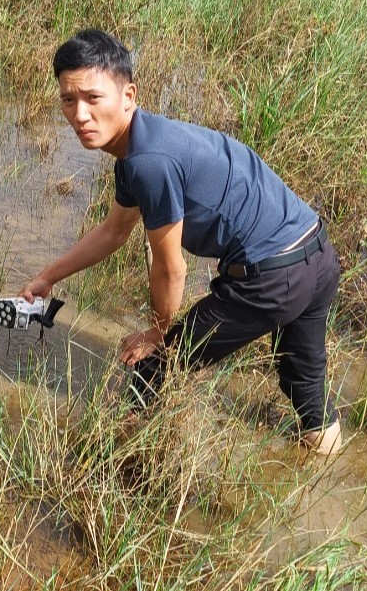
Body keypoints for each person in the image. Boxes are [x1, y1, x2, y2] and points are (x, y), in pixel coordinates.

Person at [19, 29, 342, 455]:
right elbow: (114, 231)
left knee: (157, 366)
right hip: (317, 254)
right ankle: (324, 469)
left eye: (93, 98)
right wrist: (48, 277)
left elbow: (171, 268)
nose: (80, 114)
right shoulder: (147, 141)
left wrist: (157, 332)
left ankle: (113, 462)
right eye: (68, 100)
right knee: (307, 390)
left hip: (272, 275)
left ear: (128, 95)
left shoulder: (147, 162)